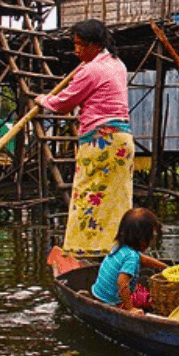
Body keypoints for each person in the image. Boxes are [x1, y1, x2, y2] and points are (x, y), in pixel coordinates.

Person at [37, 19, 135, 256]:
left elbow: (63, 104)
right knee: (117, 198)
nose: (77, 50)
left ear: (95, 45)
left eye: (81, 45)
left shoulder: (91, 70)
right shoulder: (117, 64)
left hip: (100, 141)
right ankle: (114, 247)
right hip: (122, 140)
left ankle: (86, 250)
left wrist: (42, 100)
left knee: (89, 195)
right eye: (75, 45)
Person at [91, 208, 168, 312]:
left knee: (138, 287)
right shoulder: (131, 257)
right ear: (143, 240)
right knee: (149, 299)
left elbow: (143, 259)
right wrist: (130, 309)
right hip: (113, 302)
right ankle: (127, 306)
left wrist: (165, 268)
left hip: (98, 294)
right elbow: (122, 283)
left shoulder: (120, 246)